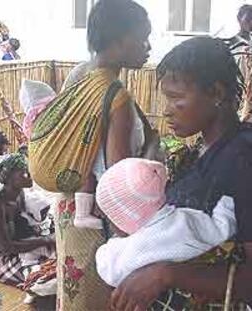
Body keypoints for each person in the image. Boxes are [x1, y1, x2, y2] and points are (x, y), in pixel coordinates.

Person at [108, 36, 252, 310]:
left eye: (176, 99)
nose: (166, 111)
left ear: (217, 93)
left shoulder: (244, 159)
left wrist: (165, 274)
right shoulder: (201, 151)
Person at [31, 0, 152, 309]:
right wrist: (130, 245)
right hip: (97, 224)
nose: (148, 46)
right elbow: (118, 183)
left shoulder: (80, 77)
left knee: (72, 298)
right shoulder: (117, 97)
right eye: (143, 37)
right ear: (120, 39)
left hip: (68, 209)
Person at [95, 158, 236, 288]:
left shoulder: (132, 249)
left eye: (110, 217)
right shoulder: (188, 220)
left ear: (126, 218)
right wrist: (227, 202)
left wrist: (113, 242)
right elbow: (223, 230)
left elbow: (107, 269)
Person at [0, 153, 55, 288]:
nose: (29, 175)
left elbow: (22, 229)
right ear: (9, 178)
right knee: (45, 276)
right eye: (24, 173)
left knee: (56, 263)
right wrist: (46, 240)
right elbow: (6, 247)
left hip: (17, 248)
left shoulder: (19, 194)